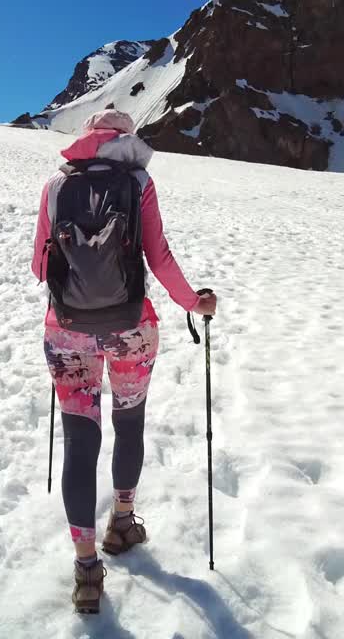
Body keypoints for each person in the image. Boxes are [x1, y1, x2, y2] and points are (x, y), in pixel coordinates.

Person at [31, 109, 217, 613]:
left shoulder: (56, 184)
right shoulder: (139, 182)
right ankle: (122, 523)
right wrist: (192, 303)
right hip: (132, 329)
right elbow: (158, 256)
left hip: (67, 330)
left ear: (88, 137)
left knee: (80, 440)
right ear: (126, 139)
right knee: (128, 423)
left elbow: (38, 264)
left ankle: (87, 569)